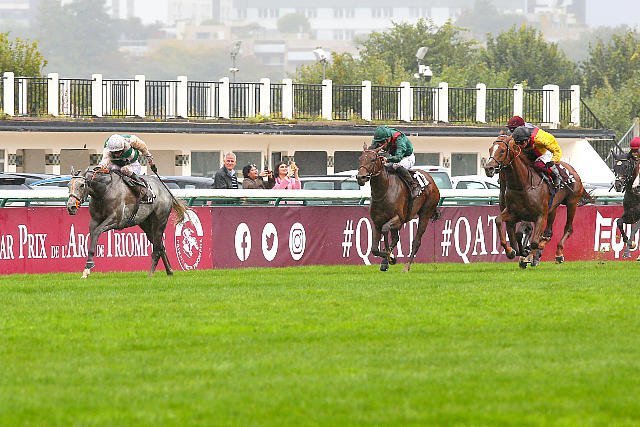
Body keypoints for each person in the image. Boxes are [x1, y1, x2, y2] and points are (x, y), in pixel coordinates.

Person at [97, 133, 156, 201]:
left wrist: (151, 162)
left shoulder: (132, 140)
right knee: (109, 169)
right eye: (114, 152)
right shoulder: (107, 149)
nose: (117, 154)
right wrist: (99, 167)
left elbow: (144, 149)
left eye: (119, 151)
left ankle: (145, 190)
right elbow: (104, 160)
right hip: (115, 165)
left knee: (124, 169)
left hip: (132, 164)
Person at [368, 125, 420, 198]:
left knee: (396, 165)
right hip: (394, 156)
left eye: (382, 142)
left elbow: (398, 158)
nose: (380, 145)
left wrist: (387, 159)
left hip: (406, 157)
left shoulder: (400, 139)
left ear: (388, 139)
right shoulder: (380, 139)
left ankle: (413, 185)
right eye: (378, 142)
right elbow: (371, 151)